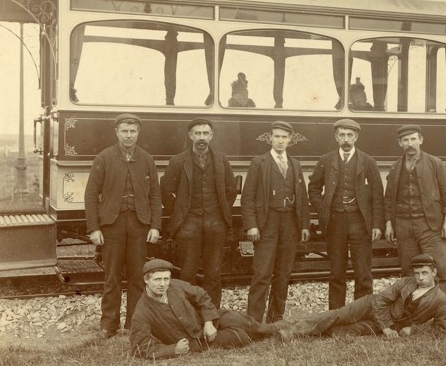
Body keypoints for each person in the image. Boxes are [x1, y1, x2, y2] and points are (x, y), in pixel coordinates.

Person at [84, 113, 162, 338]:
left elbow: (155, 196)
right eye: (124, 131)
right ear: (117, 132)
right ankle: (109, 324)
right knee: (112, 276)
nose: (129, 135)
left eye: (133, 131)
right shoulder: (104, 157)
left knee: (138, 276)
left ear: (138, 133)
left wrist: (154, 226)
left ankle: (134, 324)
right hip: (112, 225)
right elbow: (91, 195)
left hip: (139, 225)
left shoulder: (146, 159)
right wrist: (94, 228)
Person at [383, 124, 446, 328]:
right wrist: (389, 223)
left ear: (421, 140)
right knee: (409, 273)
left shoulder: (435, 164)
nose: (410, 144)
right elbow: (389, 198)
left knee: (440, 271)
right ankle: (409, 317)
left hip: (431, 226)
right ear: (400, 143)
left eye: (413, 139)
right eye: (405, 140)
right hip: (404, 226)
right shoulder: (395, 167)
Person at [130, 259, 286, 359]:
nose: (163, 284)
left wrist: (209, 322)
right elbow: (140, 348)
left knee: (245, 322)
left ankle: (284, 329)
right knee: (241, 337)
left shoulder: (175, 285)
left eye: (166, 279)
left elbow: (201, 295)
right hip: (197, 341)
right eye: (157, 280)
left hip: (207, 322)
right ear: (146, 280)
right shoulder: (141, 312)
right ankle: (284, 330)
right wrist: (173, 350)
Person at [278, 254, 446, 340]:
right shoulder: (406, 282)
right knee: (338, 315)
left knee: (342, 332)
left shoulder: (440, 300)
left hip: (381, 323)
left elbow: (441, 330)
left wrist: (413, 330)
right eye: (417, 273)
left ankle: (296, 326)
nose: (420, 278)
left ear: (434, 272)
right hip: (370, 306)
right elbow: (380, 300)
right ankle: (292, 331)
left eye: (425, 273)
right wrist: (386, 327)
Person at [308, 118, 384, 310]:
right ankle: (336, 315)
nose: (346, 139)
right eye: (342, 135)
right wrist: (323, 207)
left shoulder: (368, 161)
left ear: (356, 137)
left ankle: (362, 314)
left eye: (350, 135)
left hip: (360, 221)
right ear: (336, 137)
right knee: (336, 271)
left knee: (363, 271)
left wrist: (376, 224)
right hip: (335, 221)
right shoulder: (326, 160)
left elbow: (377, 195)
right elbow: (314, 188)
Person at [160, 118, 236, 309]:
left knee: (213, 273)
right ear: (191, 136)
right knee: (188, 272)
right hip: (189, 224)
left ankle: (212, 314)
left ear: (211, 136)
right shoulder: (178, 161)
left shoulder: (221, 160)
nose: (201, 137)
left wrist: (220, 212)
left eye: (205, 133)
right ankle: (188, 314)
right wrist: (180, 214)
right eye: (197, 133)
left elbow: (231, 190)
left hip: (215, 223)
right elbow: (166, 191)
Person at [242, 121, 311, 323]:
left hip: (290, 222)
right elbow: (248, 197)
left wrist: (305, 224)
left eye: (284, 137)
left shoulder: (295, 164)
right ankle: (253, 321)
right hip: (267, 222)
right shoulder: (259, 163)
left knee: (283, 273)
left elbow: (303, 198)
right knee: (262, 272)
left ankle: (276, 318)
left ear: (290, 140)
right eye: (277, 136)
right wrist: (251, 225)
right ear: (269, 138)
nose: (280, 140)